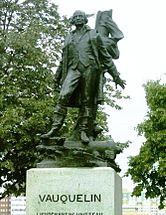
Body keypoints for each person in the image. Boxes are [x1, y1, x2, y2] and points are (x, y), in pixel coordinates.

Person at [42, 10, 125, 143]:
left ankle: (83, 131)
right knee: (63, 96)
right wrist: (56, 78)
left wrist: (116, 76)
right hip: (73, 69)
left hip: (90, 69)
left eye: (81, 16)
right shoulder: (69, 37)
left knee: (87, 101)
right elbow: (63, 60)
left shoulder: (93, 35)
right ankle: (54, 129)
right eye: (76, 17)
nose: (79, 18)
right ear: (73, 20)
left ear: (85, 19)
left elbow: (106, 56)